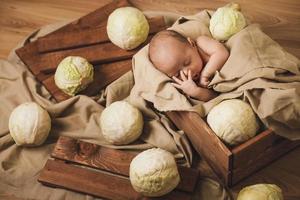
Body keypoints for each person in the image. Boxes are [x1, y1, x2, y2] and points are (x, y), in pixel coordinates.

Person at [148, 30, 229, 101]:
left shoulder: (202, 43)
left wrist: (205, 74)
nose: (187, 73)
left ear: (192, 44)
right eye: (177, 74)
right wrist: (196, 92)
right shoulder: (190, 84)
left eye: (187, 62)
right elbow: (215, 97)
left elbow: (222, 53)